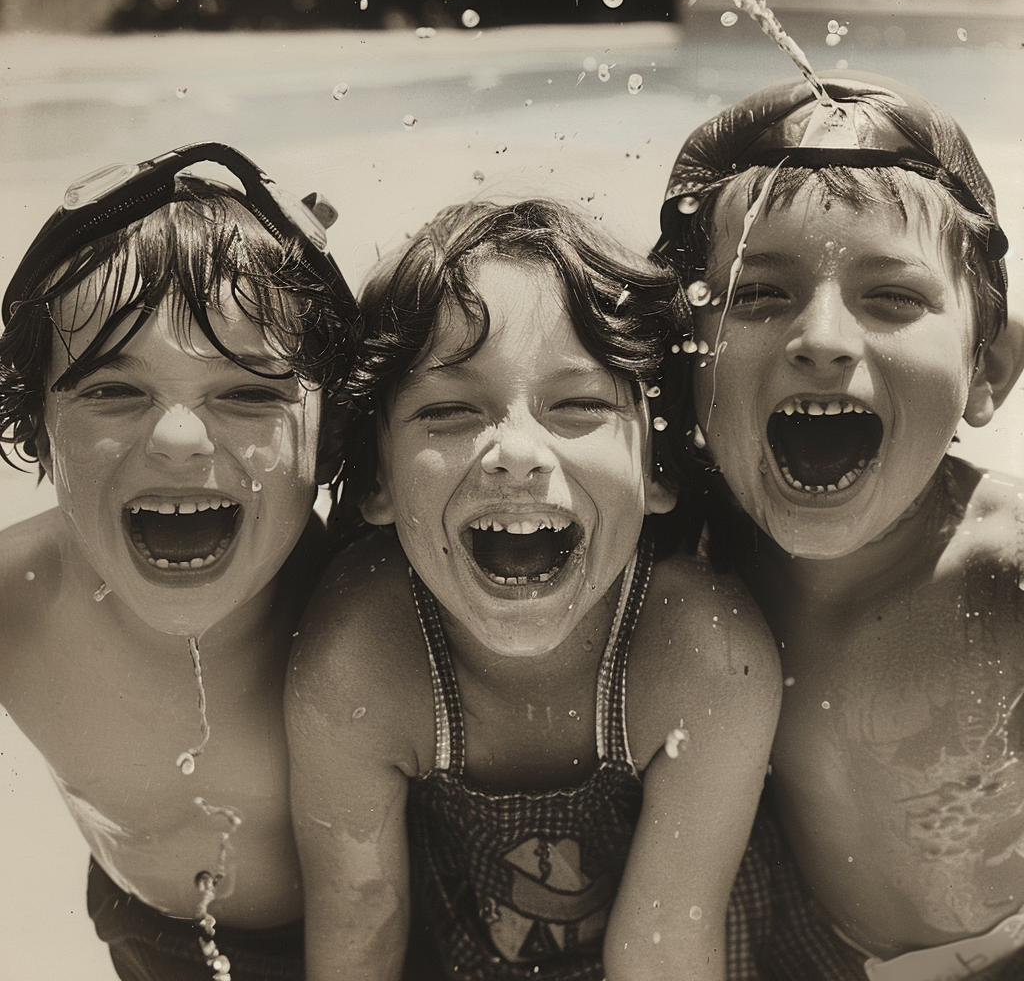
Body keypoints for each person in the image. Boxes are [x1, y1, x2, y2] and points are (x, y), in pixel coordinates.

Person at [286, 197, 781, 981]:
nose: (516, 452)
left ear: (655, 467)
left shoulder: (705, 654)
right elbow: (360, 933)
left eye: (580, 405)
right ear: (376, 476)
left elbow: (667, 951)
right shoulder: (360, 661)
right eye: (448, 411)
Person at [654, 71, 1024, 980]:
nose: (820, 336)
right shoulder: (683, 565)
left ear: (990, 368)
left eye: (892, 298)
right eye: (758, 295)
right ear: (683, 365)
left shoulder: (1003, 571)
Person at [0, 142, 357, 981]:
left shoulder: (379, 611)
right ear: (36, 428)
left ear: (332, 433)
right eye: (112, 391)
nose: (178, 439)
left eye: (247, 393)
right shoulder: (15, 604)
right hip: (146, 930)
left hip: (384, 934)